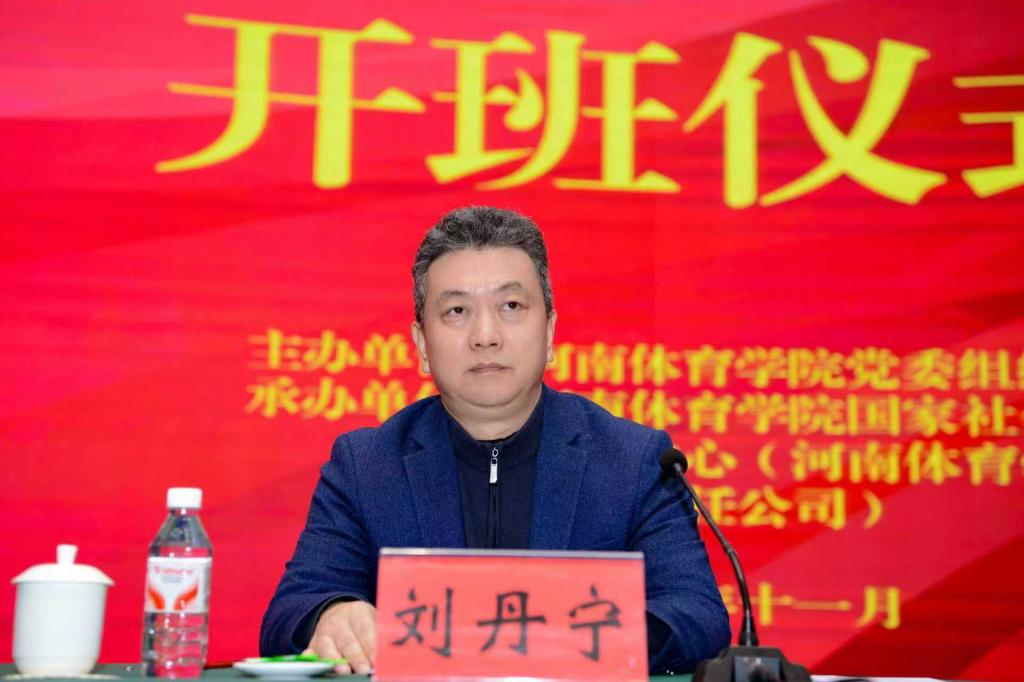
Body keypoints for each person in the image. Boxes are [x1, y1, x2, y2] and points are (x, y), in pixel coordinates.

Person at [260, 206, 730, 674]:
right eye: (457, 311)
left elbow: (698, 617)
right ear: (422, 345)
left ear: (549, 332)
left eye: (511, 307)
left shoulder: (632, 461)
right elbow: (290, 612)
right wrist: (332, 615)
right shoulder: (366, 466)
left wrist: (571, 638)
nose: (485, 336)